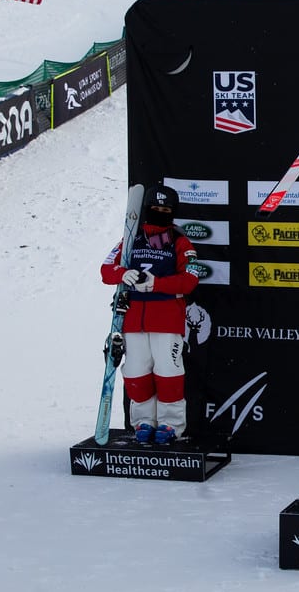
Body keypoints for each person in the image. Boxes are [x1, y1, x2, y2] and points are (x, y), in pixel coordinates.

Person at [100, 184, 199, 444]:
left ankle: (171, 424)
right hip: (132, 318)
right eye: (155, 208)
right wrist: (124, 274)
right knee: (135, 372)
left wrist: (156, 284)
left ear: (173, 212)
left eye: (165, 209)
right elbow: (105, 270)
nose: (159, 212)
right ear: (146, 210)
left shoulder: (181, 241)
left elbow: (189, 280)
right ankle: (143, 421)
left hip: (167, 319)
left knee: (168, 371)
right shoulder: (130, 238)